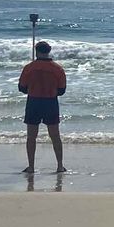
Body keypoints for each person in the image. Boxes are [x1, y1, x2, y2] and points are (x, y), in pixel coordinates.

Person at [18, 40, 68, 174]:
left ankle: (31, 167)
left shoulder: (29, 68)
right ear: (49, 51)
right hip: (50, 102)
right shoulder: (57, 68)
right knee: (55, 136)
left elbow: (22, 88)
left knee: (31, 136)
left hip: (34, 102)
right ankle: (59, 165)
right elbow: (62, 90)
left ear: (36, 51)